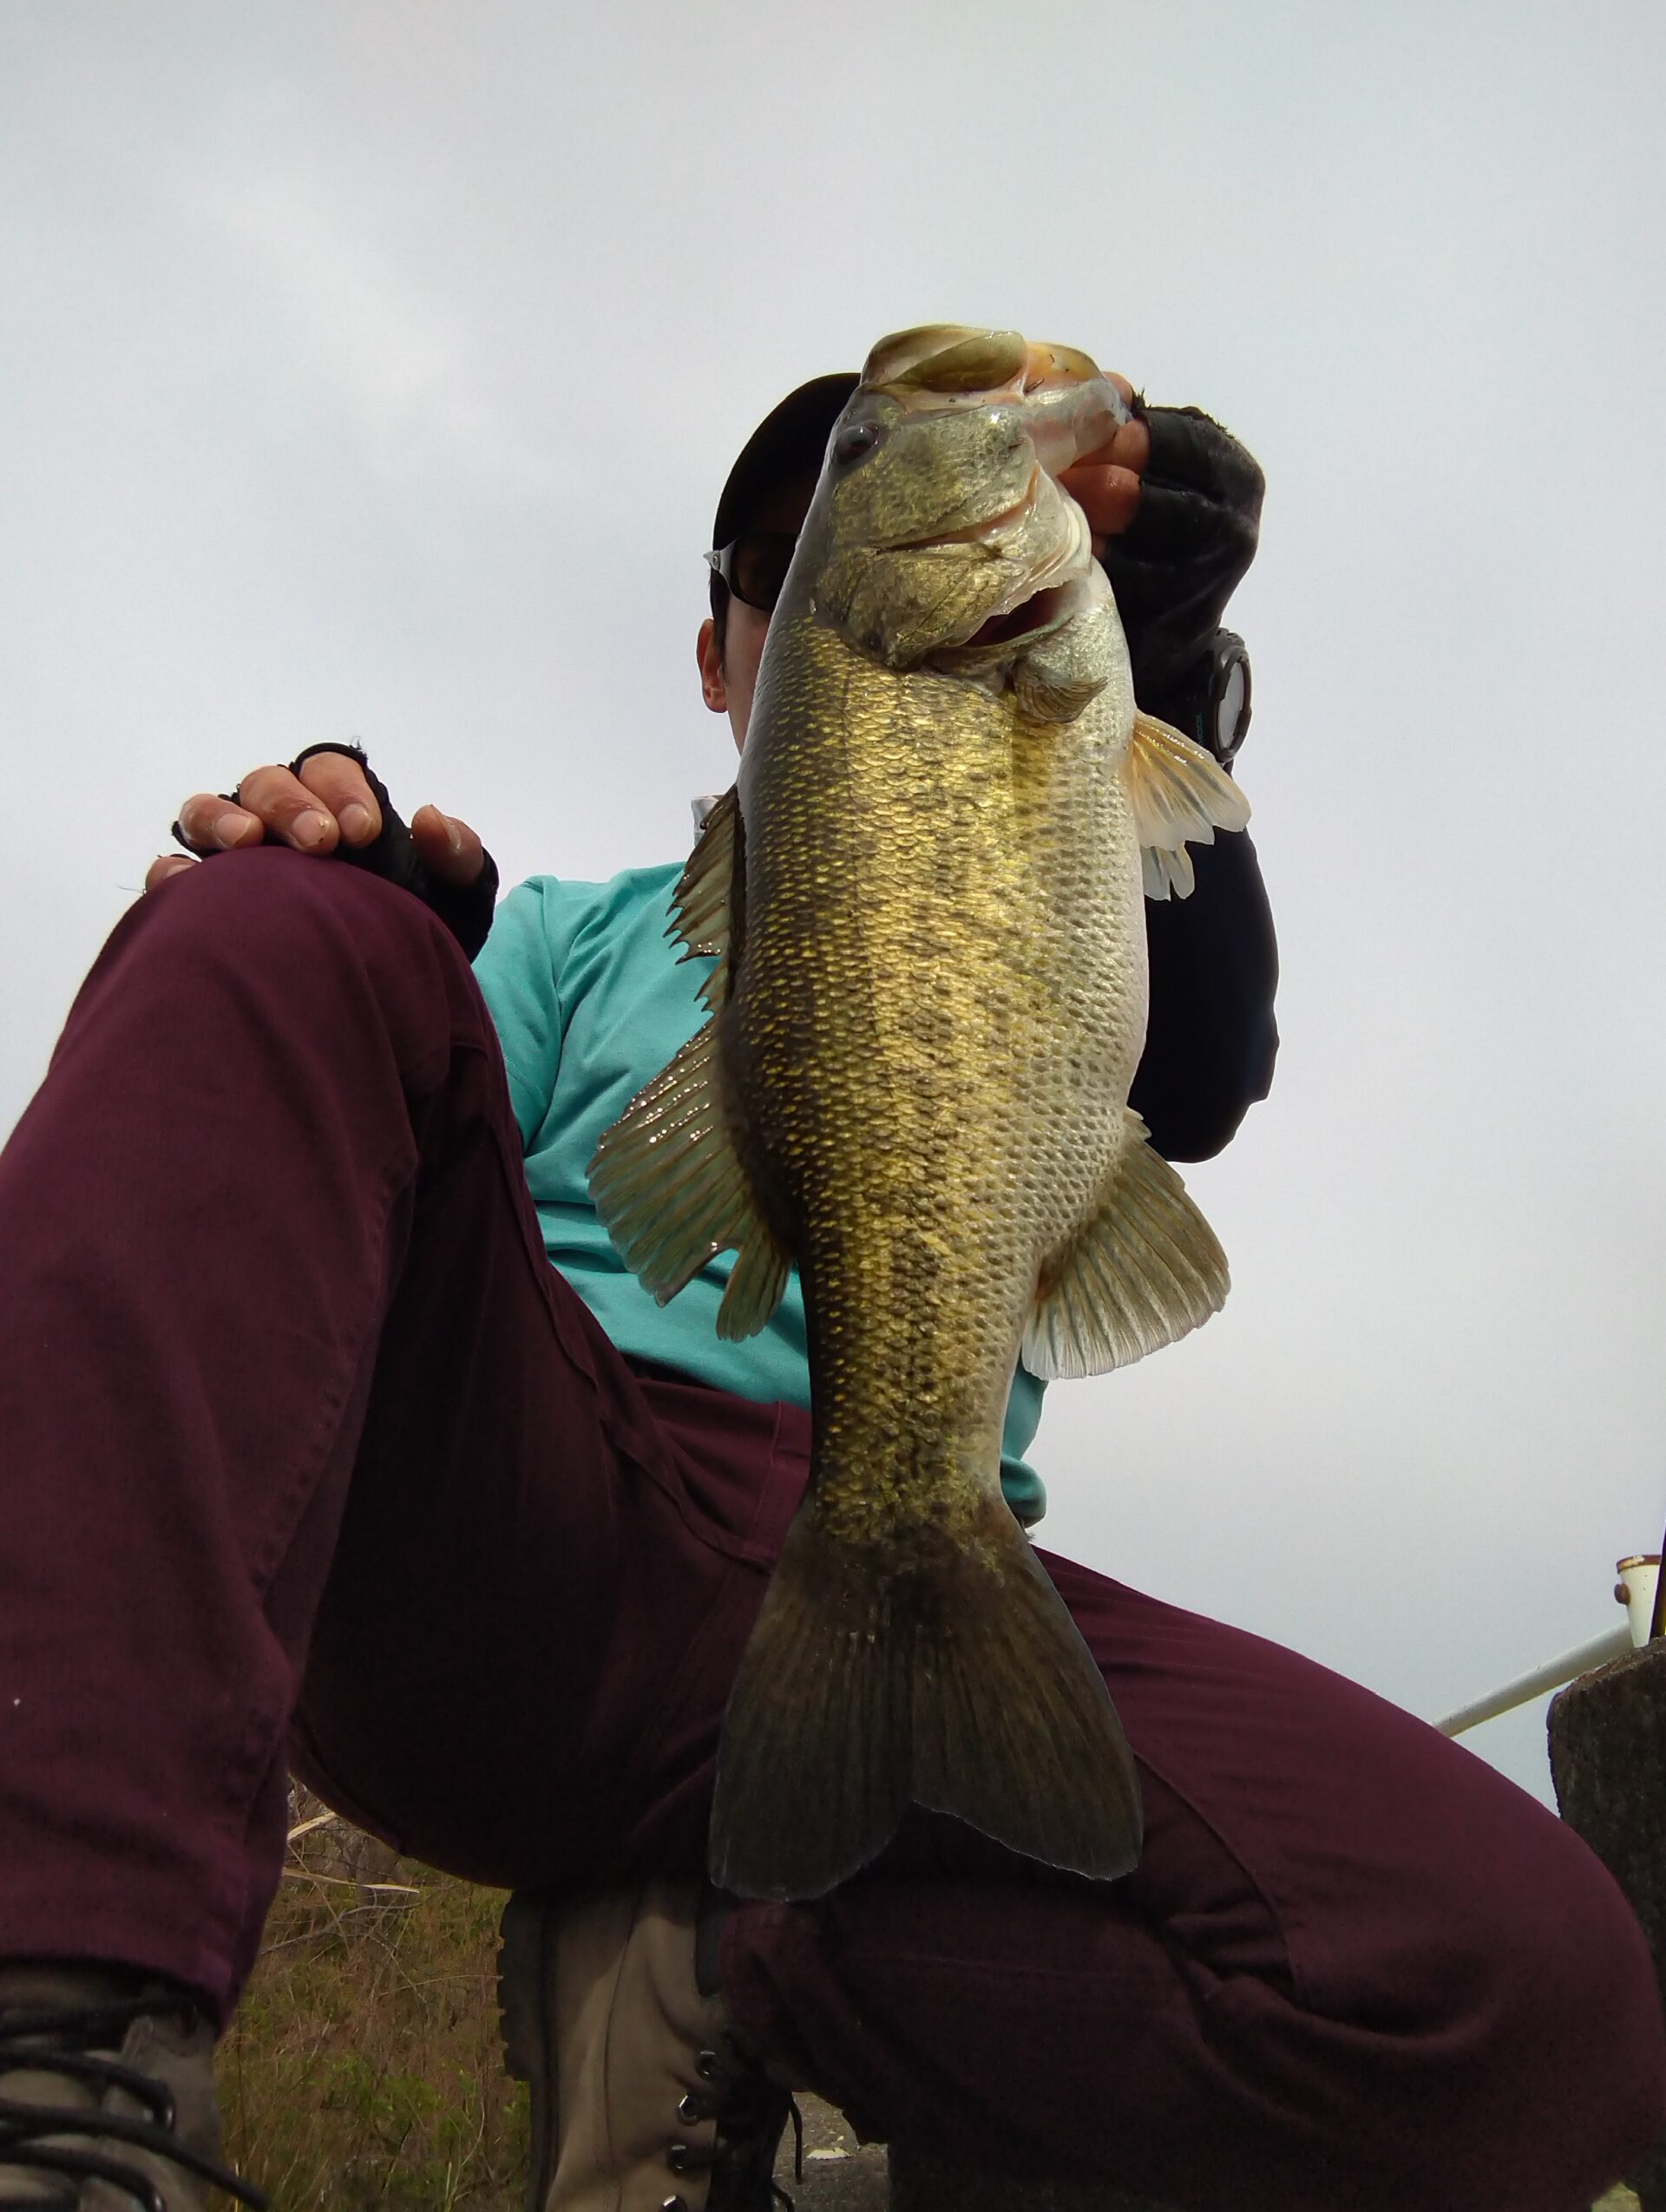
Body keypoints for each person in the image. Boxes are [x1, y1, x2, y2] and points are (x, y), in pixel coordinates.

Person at [0, 354, 1659, 2212]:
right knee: (260, 924)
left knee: (1536, 1998)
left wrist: (1176, 650)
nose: (826, 580)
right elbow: (322, 1170)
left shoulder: (1073, 773)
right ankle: (56, 2062)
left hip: (913, 1570)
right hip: (551, 1521)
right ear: (723, 662)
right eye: (780, 562)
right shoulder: (562, 930)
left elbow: (1196, 1067)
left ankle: (758, 1970)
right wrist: (380, 922)